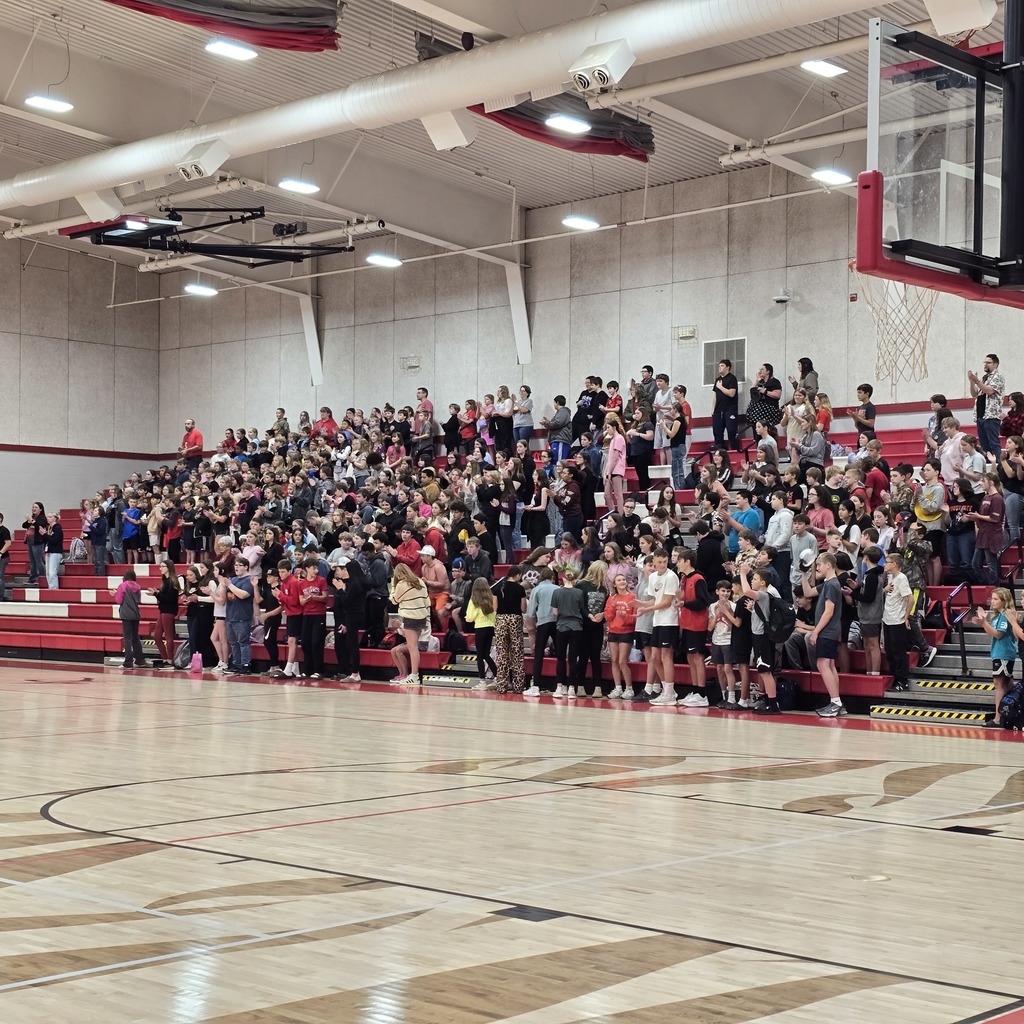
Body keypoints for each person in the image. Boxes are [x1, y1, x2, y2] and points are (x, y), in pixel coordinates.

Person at [636, 549, 680, 706]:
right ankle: (667, 689)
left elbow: (667, 602)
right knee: (654, 658)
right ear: (653, 562)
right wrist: (641, 605)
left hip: (669, 621)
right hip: (657, 621)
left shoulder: (671, 576)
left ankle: (669, 693)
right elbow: (655, 600)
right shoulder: (653, 577)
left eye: (664, 562)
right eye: (659, 562)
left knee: (665, 657)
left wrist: (647, 610)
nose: (662, 565)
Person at [973, 588, 1017, 727]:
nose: (992, 601)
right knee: (1006, 683)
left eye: (996, 599)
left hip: (1004, 653)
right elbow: (991, 634)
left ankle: (998, 718)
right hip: (998, 653)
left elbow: (998, 634)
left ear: (1004, 601)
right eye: (992, 598)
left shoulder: (1005, 615)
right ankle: (1008, 711)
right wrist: (984, 621)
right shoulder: (998, 616)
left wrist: (983, 623)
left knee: (999, 684)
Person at [675, 547, 712, 707]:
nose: (677, 564)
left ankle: (702, 694)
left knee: (697, 658)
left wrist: (684, 603)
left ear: (687, 561)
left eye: (679, 561)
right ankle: (696, 690)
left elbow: (703, 602)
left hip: (697, 624)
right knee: (690, 658)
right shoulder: (684, 579)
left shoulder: (698, 579)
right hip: (687, 623)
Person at [810, 552, 846, 717]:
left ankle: (835, 702)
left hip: (827, 631)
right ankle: (837, 702)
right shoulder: (830, 583)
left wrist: (815, 631)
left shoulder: (832, 585)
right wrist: (805, 572)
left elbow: (828, 612)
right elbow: (807, 591)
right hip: (831, 631)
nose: (817, 567)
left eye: (819, 564)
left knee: (823, 665)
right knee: (829, 665)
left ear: (828, 565)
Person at [390, 563, 431, 685]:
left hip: (410, 617)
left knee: (412, 647)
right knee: (414, 647)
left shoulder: (402, 584)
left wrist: (393, 585)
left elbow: (394, 600)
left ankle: (414, 676)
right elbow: (427, 600)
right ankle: (414, 675)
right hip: (422, 616)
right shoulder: (420, 581)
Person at [550, 567, 586, 698]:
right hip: (576, 627)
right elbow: (582, 609)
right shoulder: (579, 593)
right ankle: (572, 688)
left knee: (560, 658)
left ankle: (560, 686)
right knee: (573, 658)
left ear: (563, 579)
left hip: (561, 626)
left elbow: (555, 612)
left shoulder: (557, 592)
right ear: (575, 580)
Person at [880, 551, 913, 692]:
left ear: (894, 564)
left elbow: (910, 599)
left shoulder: (901, 578)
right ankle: (895, 679)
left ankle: (902, 681)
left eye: (887, 562)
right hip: (887, 619)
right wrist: (884, 589)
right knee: (889, 651)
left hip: (897, 620)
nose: (885, 564)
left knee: (898, 652)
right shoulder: (890, 577)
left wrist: (906, 617)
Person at [331, 559, 367, 682]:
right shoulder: (357, 582)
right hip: (353, 615)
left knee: (352, 645)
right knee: (350, 644)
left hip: (353, 615)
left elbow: (347, 602)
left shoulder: (354, 584)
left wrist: (340, 589)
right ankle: (353, 672)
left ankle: (355, 674)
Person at [493, 565, 527, 694]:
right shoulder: (520, 589)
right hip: (515, 620)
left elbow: (495, 607)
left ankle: (501, 686)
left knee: (502, 653)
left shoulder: (498, 588)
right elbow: (523, 609)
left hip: (501, 620)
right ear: (517, 575)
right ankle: (518, 685)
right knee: (517, 652)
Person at [605, 572, 638, 699]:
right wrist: (613, 609)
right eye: (619, 580)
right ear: (614, 584)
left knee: (622, 661)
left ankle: (629, 688)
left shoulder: (632, 597)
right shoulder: (612, 598)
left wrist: (626, 617)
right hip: (613, 632)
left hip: (626, 632)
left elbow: (635, 618)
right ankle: (618, 687)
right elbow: (608, 617)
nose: (622, 582)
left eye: (623, 579)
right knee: (614, 661)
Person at [709, 579, 740, 709]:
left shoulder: (734, 606)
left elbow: (736, 623)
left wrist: (727, 611)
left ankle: (732, 697)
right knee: (720, 669)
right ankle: (723, 697)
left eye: (728, 591)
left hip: (728, 641)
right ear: (717, 591)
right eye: (723, 591)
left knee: (728, 669)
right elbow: (709, 628)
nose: (725, 593)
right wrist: (716, 615)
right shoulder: (712, 606)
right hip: (716, 640)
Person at [968, 353, 1006, 457]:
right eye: (984, 362)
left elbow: (989, 391)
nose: (985, 364)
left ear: (995, 365)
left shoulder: (998, 377)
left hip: (991, 415)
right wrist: (972, 382)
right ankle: (989, 467)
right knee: (984, 445)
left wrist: (977, 381)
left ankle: (999, 466)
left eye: (988, 362)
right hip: (981, 414)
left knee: (993, 443)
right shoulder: (985, 378)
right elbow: (974, 394)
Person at [146, 558, 180, 667]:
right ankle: (165, 658)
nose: (160, 568)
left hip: (169, 611)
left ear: (168, 568)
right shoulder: (165, 581)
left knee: (168, 636)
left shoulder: (172, 581)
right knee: (157, 636)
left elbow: (170, 598)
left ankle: (169, 659)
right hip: (163, 610)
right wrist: (157, 593)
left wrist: (156, 594)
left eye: (162, 566)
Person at [225, 556, 255, 675]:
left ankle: (246, 664)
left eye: (239, 565)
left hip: (242, 616)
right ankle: (236, 664)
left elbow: (243, 595)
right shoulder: (233, 580)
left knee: (243, 642)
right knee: (233, 642)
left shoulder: (249, 580)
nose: (236, 567)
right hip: (230, 615)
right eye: (235, 565)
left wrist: (230, 585)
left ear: (246, 567)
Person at [465, 576, 498, 686]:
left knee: (480, 655)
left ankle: (482, 681)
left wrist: (468, 618)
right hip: (490, 628)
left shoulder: (474, 600)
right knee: (486, 654)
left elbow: (470, 617)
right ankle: (497, 677)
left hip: (480, 628)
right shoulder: (491, 598)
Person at [111, 569, 146, 669]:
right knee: (135, 637)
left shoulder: (123, 585)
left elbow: (119, 600)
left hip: (126, 614)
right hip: (136, 613)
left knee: (127, 638)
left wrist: (116, 593)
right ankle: (140, 660)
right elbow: (138, 600)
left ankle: (128, 662)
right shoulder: (138, 586)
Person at [711, 359, 739, 449]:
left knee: (731, 431)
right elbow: (715, 395)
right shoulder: (717, 380)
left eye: (722, 365)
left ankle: (734, 450)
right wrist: (713, 409)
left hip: (730, 409)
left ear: (728, 367)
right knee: (717, 431)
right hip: (718, 410)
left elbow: (731, 393)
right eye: (719, 365)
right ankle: (720, 450)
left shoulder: (732, 378)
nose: (719, 367)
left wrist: (721, 387)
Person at [541, 395, 572, 463]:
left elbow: (558, 423)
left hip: (560, 440)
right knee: (556, 461)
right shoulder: (560, 412)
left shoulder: (563, 411)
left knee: (559, 462)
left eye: (554, 403)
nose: (554, 405)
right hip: (556, 440)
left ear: (557, 402)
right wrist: (548, 422)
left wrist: (546, 423)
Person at [22, 502, 46, 586]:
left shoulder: (42, 518)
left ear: (40, 509)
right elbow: (24, 525)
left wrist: (32, 521)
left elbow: (40, 525)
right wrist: (29, 521)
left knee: (38, 560)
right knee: (32, 561)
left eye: (36, 507)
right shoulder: (32, 518)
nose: (34, 508)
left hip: (37, 541)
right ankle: (32, 578)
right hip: (29, 540)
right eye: (33, 507)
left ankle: (42, 578)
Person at [42, 512, 64, 589]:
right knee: (47, 572)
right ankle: (50, 587)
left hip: (55, 552)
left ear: (55, 518)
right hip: (49, 551)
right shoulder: (49, 528)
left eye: (50, 517)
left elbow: (54, 540)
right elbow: (47, 540)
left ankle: (54, 589)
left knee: (52, 572)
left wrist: (45, 534)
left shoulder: (57, 528)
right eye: (47, 517)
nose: (48, 518)